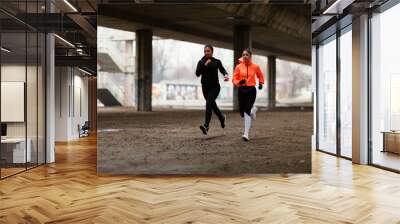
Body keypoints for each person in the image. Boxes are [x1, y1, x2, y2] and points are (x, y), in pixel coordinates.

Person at [195, 45, 229, 135]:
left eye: (208, 51)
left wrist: (226, 75)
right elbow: (197, 74)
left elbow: (222, 70)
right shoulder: (201, 62)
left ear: (212, 52)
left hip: (215, 87)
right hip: (205, 88)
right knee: (212, 105)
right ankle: (221, 117)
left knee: (208, 104)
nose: (206, 52)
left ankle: (206, 126)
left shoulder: (217, 62)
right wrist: (205, 65)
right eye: (205, 51)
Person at [232, 48, 265, 141]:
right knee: (242, 113)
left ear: (250, 56)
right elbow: (234, 79)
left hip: (251, 90)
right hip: (241, 90)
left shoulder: (255, 66)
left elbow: (260, 76)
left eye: (247, 54)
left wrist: (261, 83)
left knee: (246, 111)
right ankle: (252, 111)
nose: (245, 56)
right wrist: (239, 82)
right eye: (243, 55)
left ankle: (246, 133)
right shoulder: (238, 67)